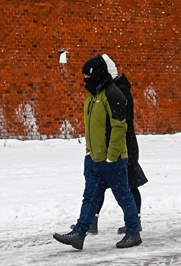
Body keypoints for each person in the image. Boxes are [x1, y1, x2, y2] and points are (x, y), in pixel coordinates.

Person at [53, 54, 142, 250]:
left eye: (88, 77)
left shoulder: (114, 95)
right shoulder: (92, 98)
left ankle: (133, 232)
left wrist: (112, 156)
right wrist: (88, 152)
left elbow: (120, 128)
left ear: (99, 75)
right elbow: (91, 128)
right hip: (93, 159)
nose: (85, 81)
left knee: (123, 196)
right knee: (90, 197)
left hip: (113, 160)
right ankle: (79, 233)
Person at [87, 55, 148, 235]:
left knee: (128, 184)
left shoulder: (118, 91)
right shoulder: (112, 90)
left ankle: (134, 222)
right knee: (101, 183)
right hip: (114, 144)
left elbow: (121, 123)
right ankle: (92, 221)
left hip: (123, 146)